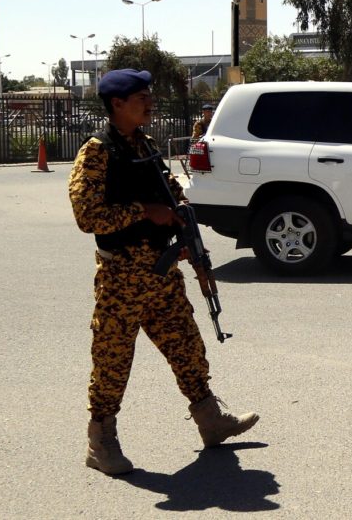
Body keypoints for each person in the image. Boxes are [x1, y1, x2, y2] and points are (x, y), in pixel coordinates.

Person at [68, 69, 258, 475]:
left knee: (187, 347)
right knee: (112, 360)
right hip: (122, 278)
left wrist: (184, 231)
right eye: (141, 98)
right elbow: (87, 216)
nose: (150, 103)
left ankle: (210, 421)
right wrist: (143, 212)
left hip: (162, 271)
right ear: (117, 103)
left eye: (149, 96)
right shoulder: (98, 152)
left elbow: (171, 194)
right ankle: (101, 442)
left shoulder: (147, 145)